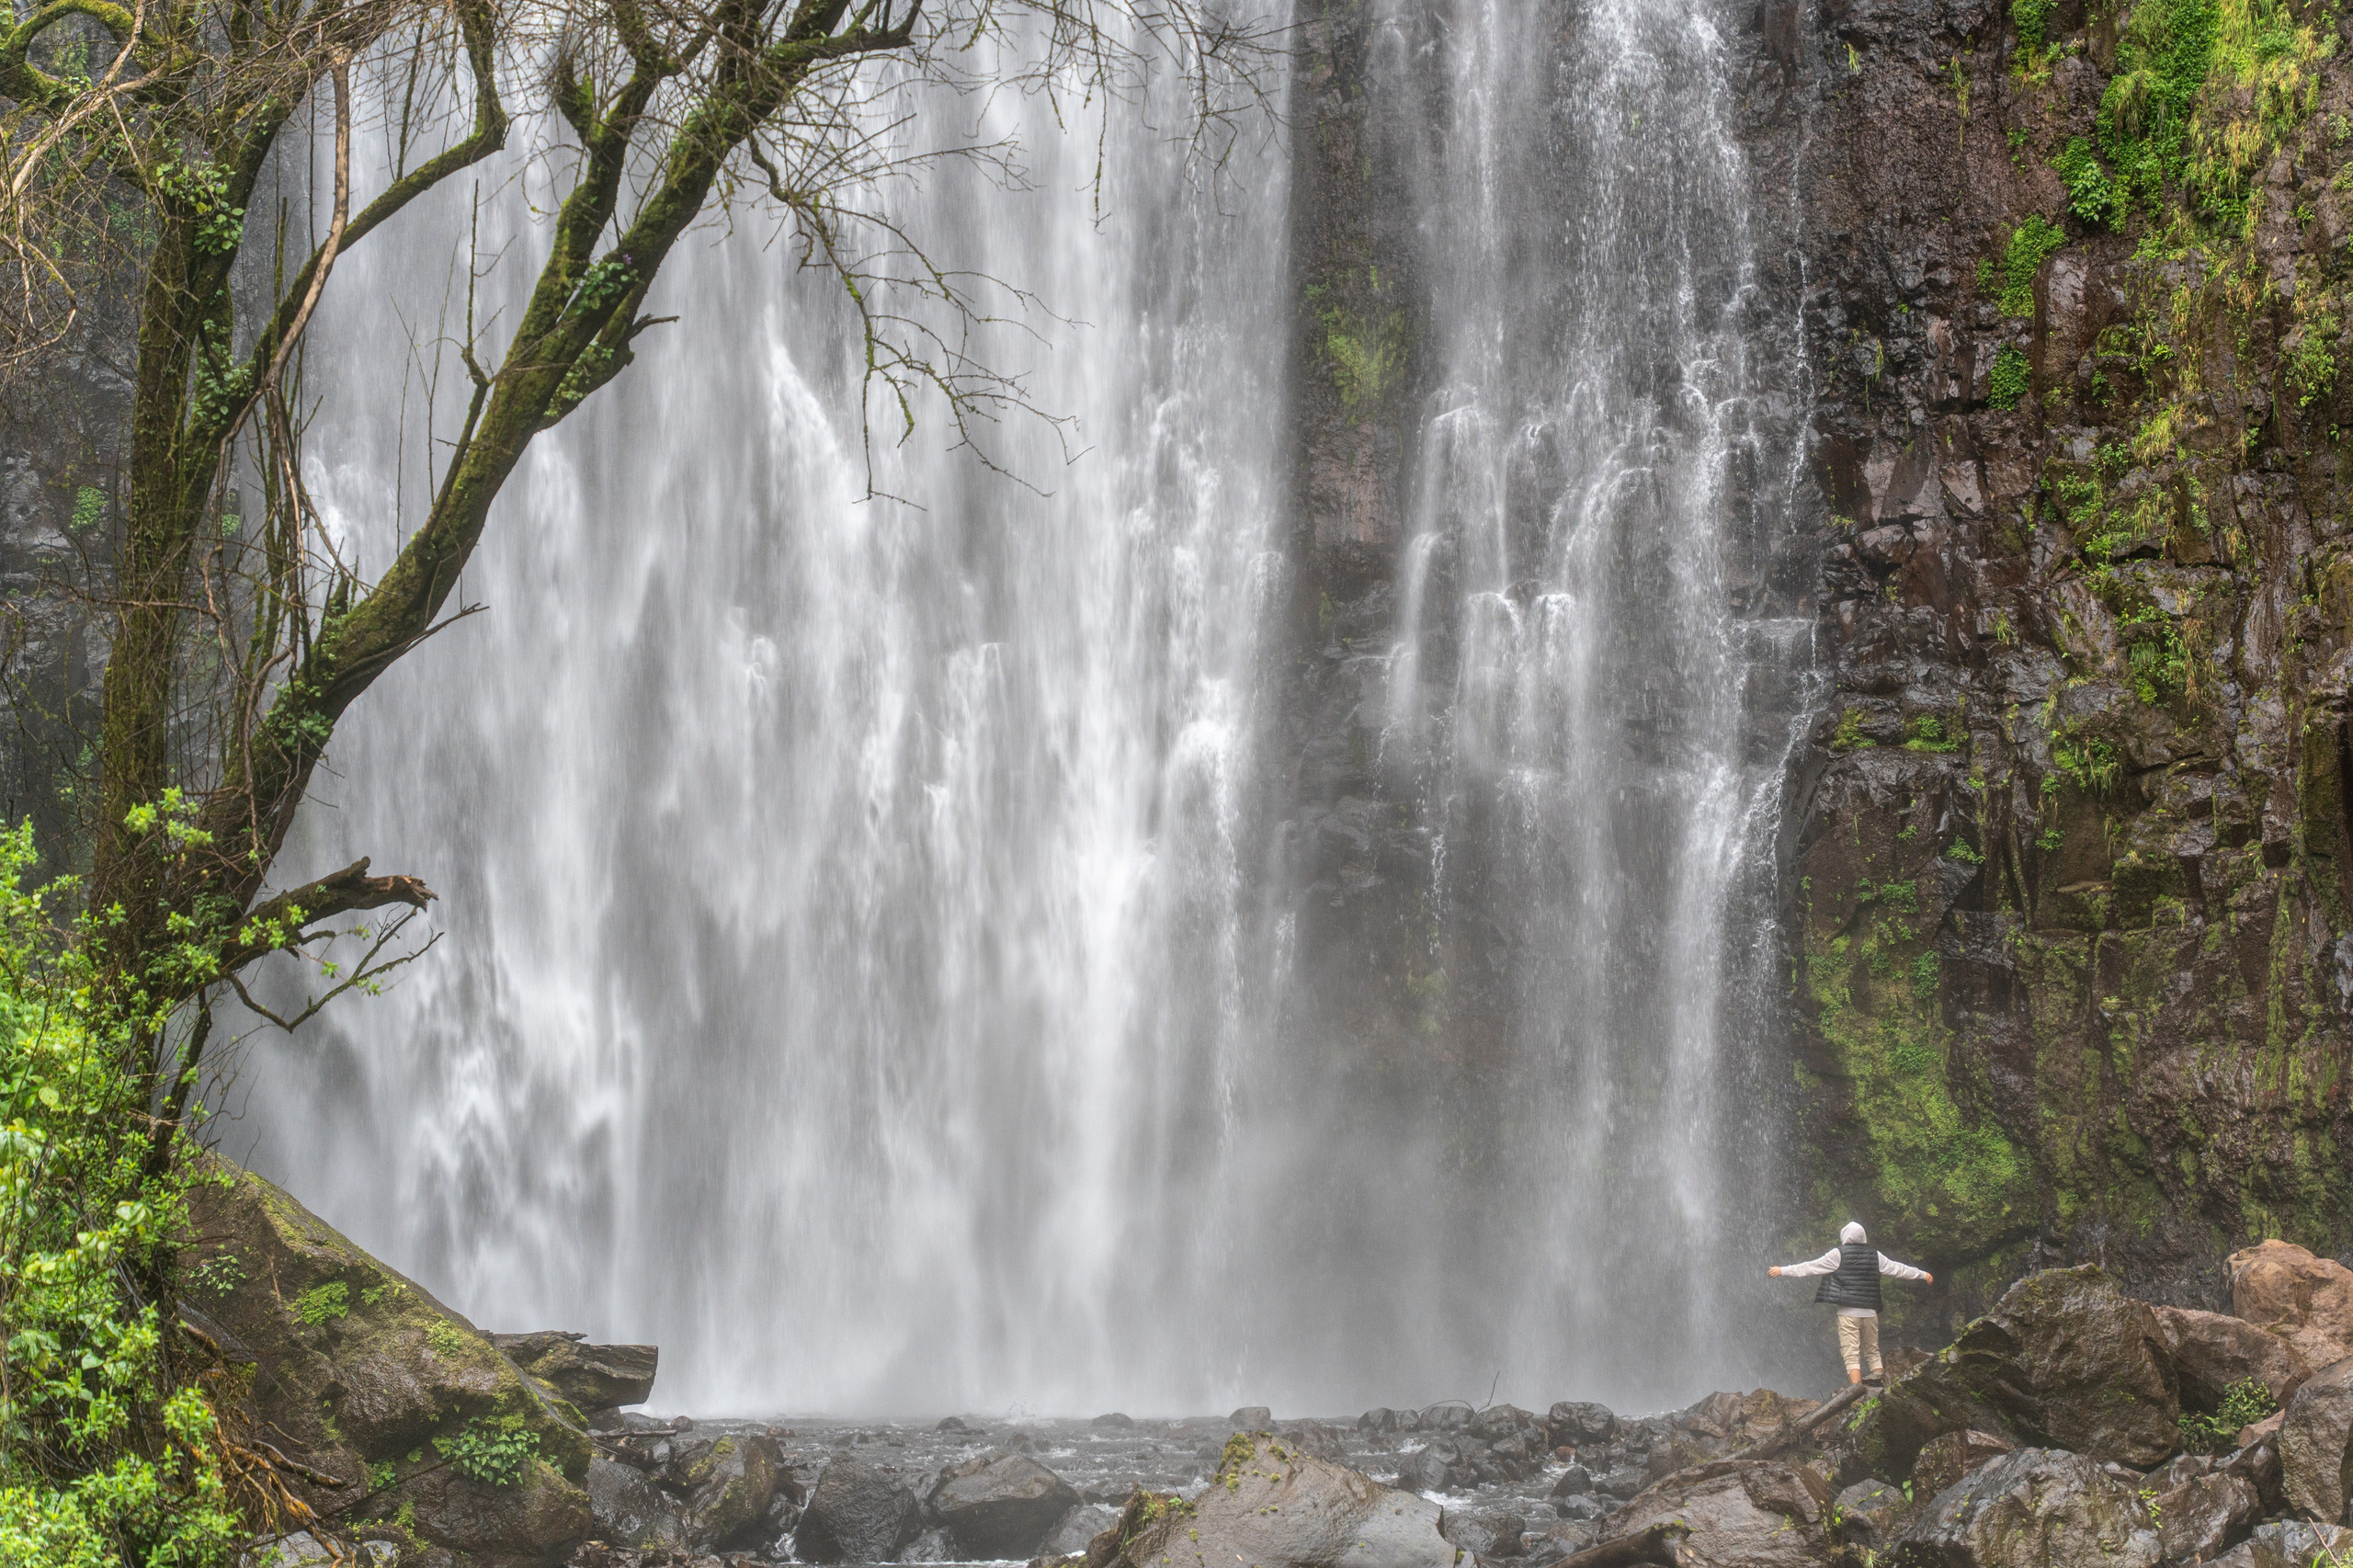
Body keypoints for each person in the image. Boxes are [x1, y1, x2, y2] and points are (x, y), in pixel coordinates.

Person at [1768, 1221, 1932, 1385]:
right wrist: (1921, 1274)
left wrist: (1783, 1270)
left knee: (1851, 1355)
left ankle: (1857, 1394)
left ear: (1845, 1236)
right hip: (1870, 1313)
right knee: (1873, 1352)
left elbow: (1811, 1267)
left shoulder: (1838, 1254)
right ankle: (1880, 1389)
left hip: (1848, 1314)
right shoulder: (1875, 1255)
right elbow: (1898, 1269)